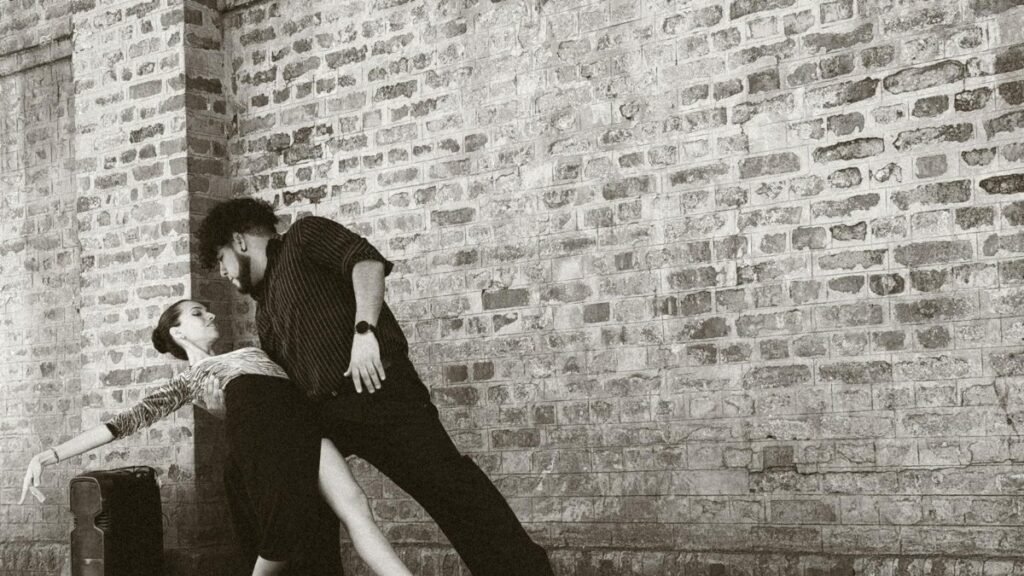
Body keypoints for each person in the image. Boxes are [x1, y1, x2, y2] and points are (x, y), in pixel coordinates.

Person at [197, 199, 554, 576]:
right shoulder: (265, 309)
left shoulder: (304, 236)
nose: (222, 272)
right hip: (322, 415)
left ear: (239, 241)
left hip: (379, 392)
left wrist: (364, 332)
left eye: (220, 259)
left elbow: (365, 261)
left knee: (451, 489)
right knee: (265, 478)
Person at [20, 300, 414, 576]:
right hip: (265, 449)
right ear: (178, 332)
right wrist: (48, 456)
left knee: (355, 505)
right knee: (283, 537)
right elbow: (120, 424)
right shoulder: (190, 380)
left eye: (206, 310)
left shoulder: (252, 352)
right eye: (197, 313)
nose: (209, 315)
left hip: (304, 431)